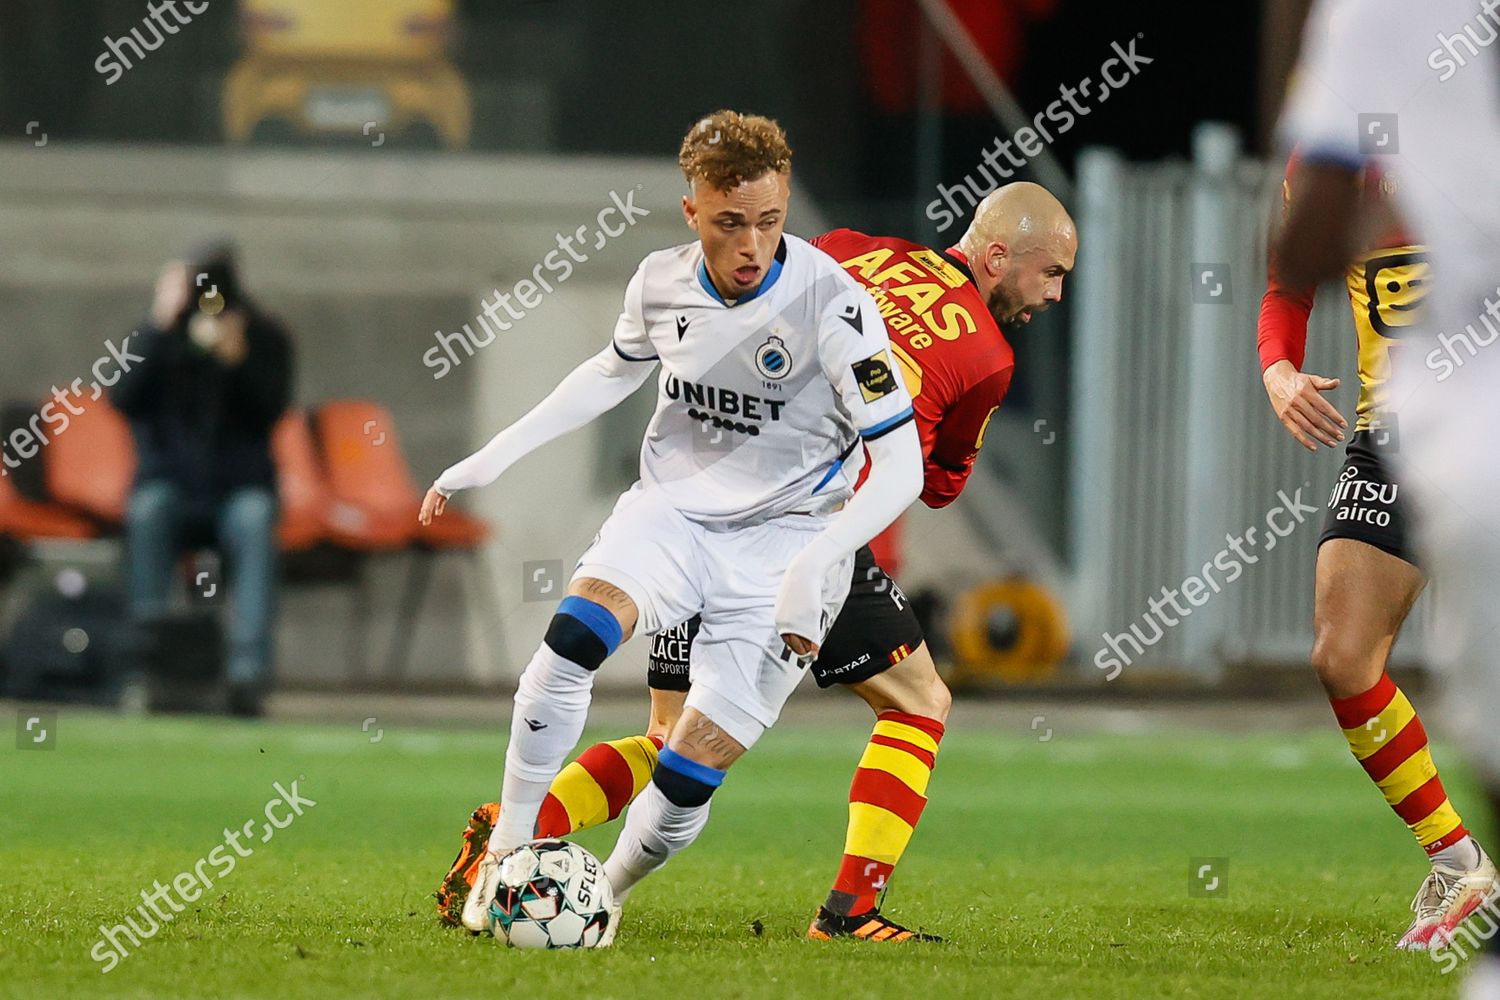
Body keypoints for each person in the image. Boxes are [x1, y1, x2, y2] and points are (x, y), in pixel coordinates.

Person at [435, 183, 1077, 942]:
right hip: (808, 538)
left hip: (696, 507)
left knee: (669, 735)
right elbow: (937, 486)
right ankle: (848, 912)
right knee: (918, 703)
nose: (1056, 295)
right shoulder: (987, 354)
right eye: (1052, 274)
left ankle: (518, 839)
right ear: (998, 258)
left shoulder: (841, 249)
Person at [420, 110, 924, 945]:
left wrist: (820, 564)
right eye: (730, 224)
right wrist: (491, 458)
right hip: (673, 515)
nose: (752, 244)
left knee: (688, 769)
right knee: (572, 639)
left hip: (789, 543)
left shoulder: (835, 308)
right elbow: (608, 374)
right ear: (693, 213)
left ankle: (604, 896)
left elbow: (899, 464)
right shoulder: (660, 282)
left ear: (785, 204)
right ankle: (508, 855)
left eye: (768, 221)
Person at [1275, 0, 1500, 983]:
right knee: (1343, 649)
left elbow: (1303, 240)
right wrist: (1278, 368)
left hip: (1458, 431)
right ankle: (1460, 863)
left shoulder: (1375, 21)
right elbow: (1293, 283)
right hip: (1405, 435)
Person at [111, 243, 293, 718]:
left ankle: (247, 675)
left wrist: (239, 360)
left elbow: (272, 407)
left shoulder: (264, 334)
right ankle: (148, 665)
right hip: (171, 485)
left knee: (255, 519)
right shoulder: (160, 338)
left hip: (237, 489)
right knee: (148, 510)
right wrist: (157, 324)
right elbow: (121, 397)